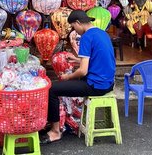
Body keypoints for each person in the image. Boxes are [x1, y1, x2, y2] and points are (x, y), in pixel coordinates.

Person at [41, 10, 116, 144]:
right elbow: (97, 59)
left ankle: (55, 131)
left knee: (51, 89)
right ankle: (64, 120)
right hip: (108, 82)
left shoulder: (86, 37)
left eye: (73, 26)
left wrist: (68, 77)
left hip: (96, 85)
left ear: (78, 23)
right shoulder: (102, 33)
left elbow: (82, 71)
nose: (73, 30)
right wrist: (76, 59)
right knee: (63, 85)